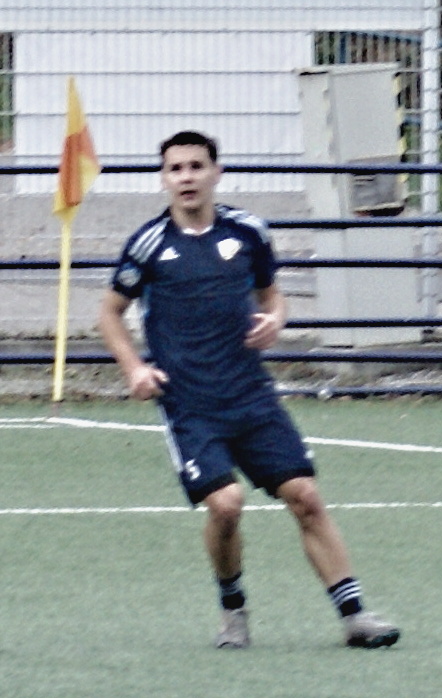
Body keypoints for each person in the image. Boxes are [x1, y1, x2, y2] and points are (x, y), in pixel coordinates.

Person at [96, 131, 400, 651]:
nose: (187, 177)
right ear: (164, 179)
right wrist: (135, 369)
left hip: (252, 396)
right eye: (176, 168)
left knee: (305, 496)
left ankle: (355, 616)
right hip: (190, 404)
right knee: (226, 505)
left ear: (216, 173)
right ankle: (233, 610)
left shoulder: (248, 232)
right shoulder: (148, 244)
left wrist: (275, 320)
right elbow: (109, 313)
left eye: (196, 166)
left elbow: (272, 296)